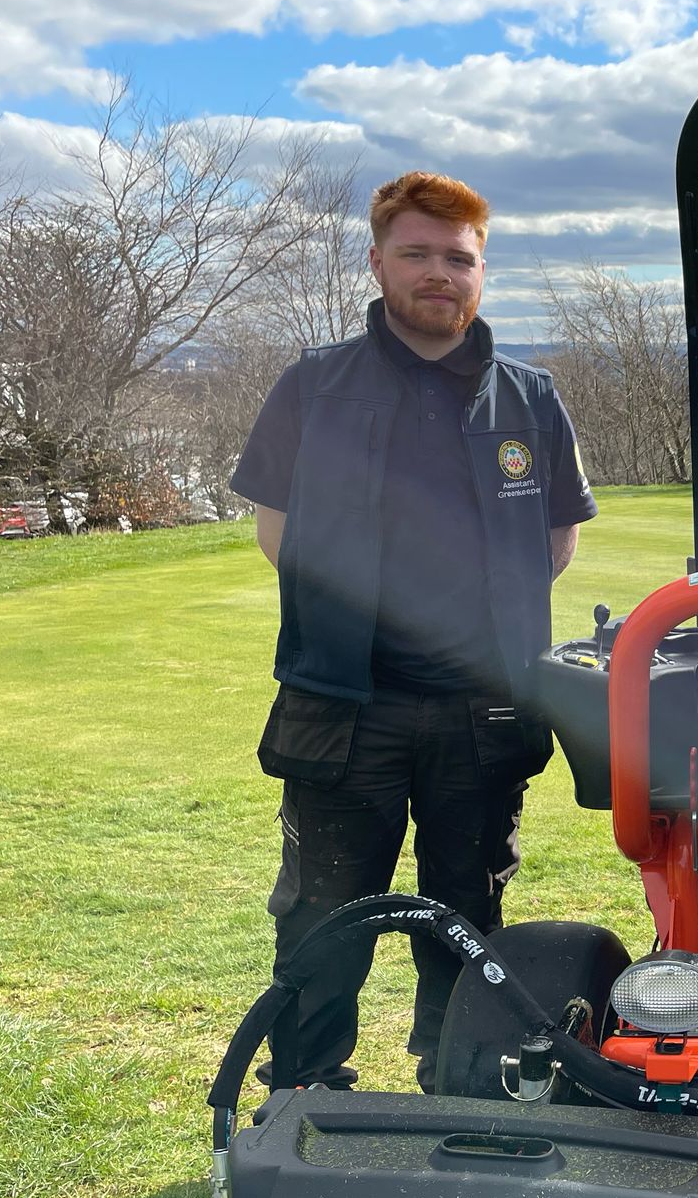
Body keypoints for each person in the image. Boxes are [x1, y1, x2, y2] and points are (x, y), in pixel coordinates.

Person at [231, 171, 596, 1090]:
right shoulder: (314, 387)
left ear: (483, 271)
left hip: (486, 710)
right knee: (322, 913)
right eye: (419, 254)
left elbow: (555, 542)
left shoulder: (531, 398)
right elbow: (278, 533)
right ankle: (307, 1087)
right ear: (378, 261)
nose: (441, 273)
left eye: (459, 259)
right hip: (346, 708)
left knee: (469, 909)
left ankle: (457, 1074)